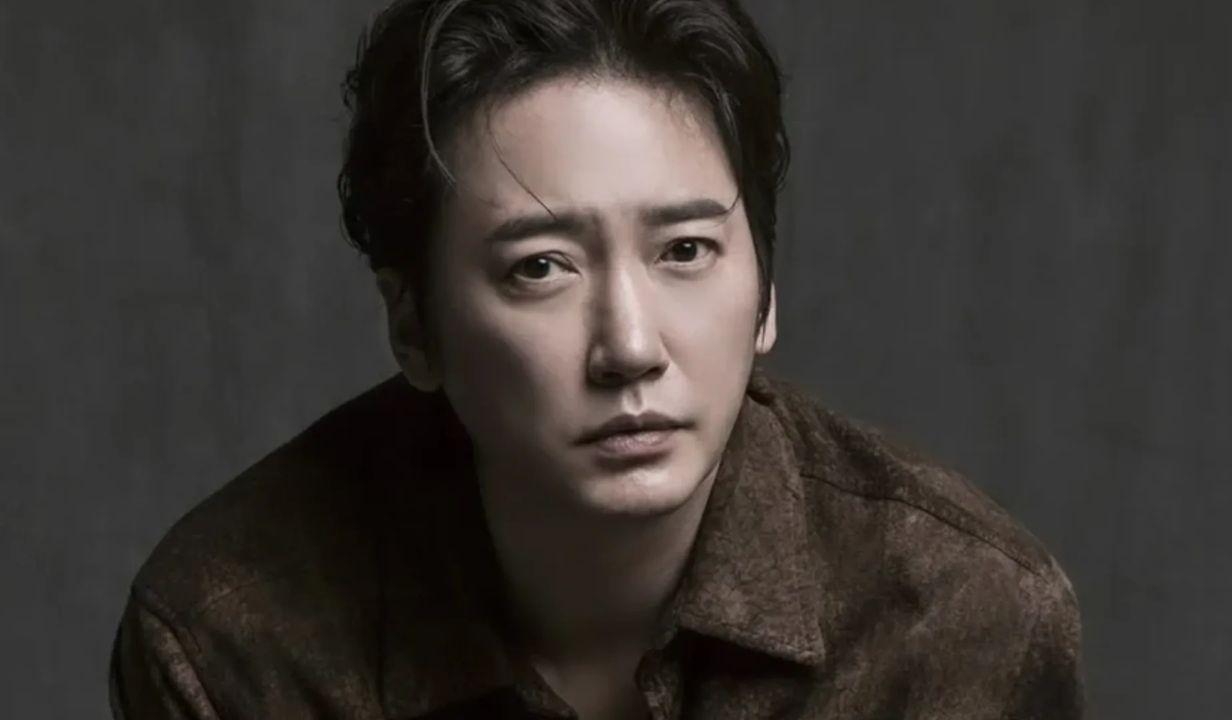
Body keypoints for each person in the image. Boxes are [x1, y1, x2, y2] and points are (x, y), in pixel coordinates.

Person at [108, 0, 1085, 717]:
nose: (629, 347)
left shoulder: (954, 618)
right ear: (413, 326)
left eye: (685, 251)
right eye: (540, 267)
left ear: (765, 292)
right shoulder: (232, 639)